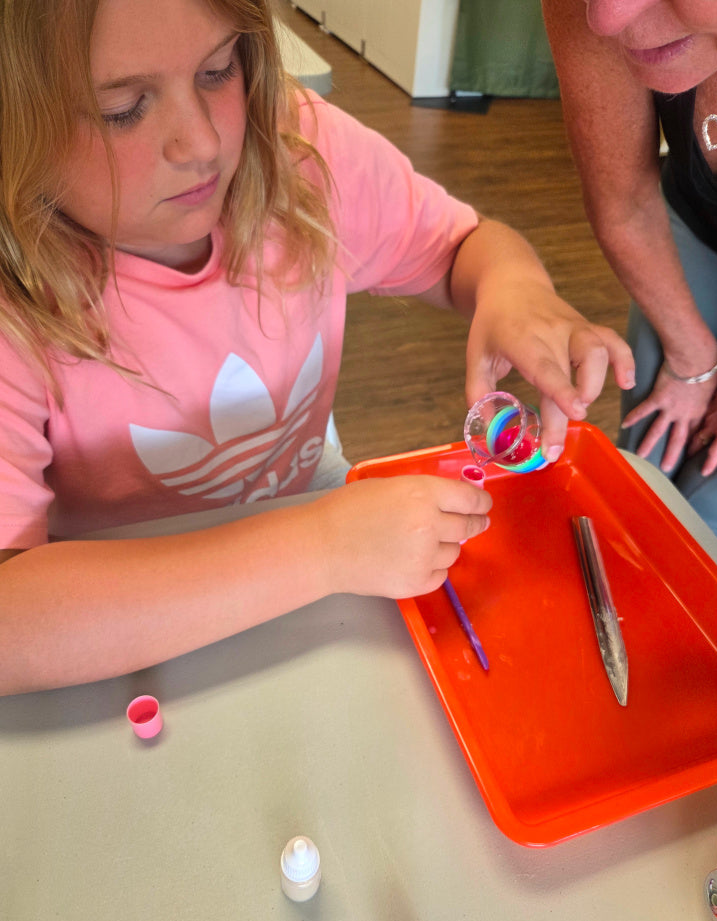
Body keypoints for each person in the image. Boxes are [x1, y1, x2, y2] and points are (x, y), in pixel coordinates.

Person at [0, 0, 633, 695]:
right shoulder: (16, 307)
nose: (202, 143)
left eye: (217, 71)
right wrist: (322, 547)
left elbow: (460, 247)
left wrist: (513, 284)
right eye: (123, 108)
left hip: (315, 534)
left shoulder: (302, 152)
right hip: (114, 612)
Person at [541, 0, 717, 556]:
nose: (605, 19)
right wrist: (694, 360)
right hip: (703, 230)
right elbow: (624, 204)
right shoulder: (594, 10)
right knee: (648, 469)